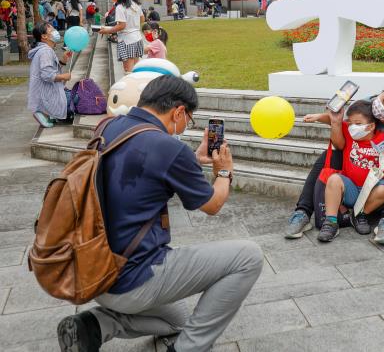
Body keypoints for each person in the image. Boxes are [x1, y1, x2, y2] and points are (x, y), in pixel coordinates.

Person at [56, 75, 263, 352]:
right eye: (188, 119)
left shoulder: (110, 126)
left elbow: (146, 161)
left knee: (180, 322)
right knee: (248, 257)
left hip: (91, 272)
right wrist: (224, 171)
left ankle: (95, 326)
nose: (185, 125)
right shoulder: (170, 149)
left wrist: (190, 157)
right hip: (132, 279)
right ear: (178, 111)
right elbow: (213, 205)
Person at [287, 84, 384, 246]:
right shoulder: (365, 104)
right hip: (355, 154)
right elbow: (343, 123)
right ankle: (302, 212)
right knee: (329, 154)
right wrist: (321, 116)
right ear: (380, 93)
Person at [309, 100, 384, 242]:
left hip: (371, 192)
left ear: (371, 126)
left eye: (357, 123)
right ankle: (331, 222)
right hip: (350, 189)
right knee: (334, 179)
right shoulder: (349, 134)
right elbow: (333, 120)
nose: (352, 127)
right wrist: (319, 117)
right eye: (350, 123)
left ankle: (359, 215)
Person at [27, 21, 73, 128]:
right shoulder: (45, 51)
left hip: (45, 94)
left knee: (77, 97)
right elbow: (47, 75)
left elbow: (50, 70)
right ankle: (44, 112)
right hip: (48, 97)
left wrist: (63, 60)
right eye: (51, 30)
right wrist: (64, 77)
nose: (55, 31)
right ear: (44, 36)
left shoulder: (45, 50)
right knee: (80, 100)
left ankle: (47, 114)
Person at [99, 0, 144, 73]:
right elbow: (142, 19)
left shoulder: (120, 7)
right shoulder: (135, 4)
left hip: (127, 40)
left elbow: (121, 26)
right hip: (137, 38)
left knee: (128, 71)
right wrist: (132, 25)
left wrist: (106, 30)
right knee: (136, 69)